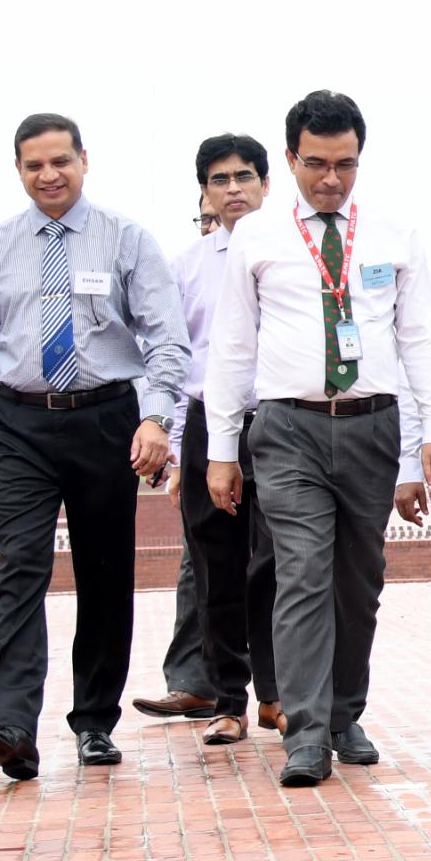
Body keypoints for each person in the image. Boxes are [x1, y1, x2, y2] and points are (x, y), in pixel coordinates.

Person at [201, 91, 431, 789]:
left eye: (344, 164)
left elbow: (421, 336)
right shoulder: (256, 237)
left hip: (373, 425)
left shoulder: (394, 234)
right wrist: (222, 449)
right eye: (316, 164)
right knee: (303, 573)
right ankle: (305, 733)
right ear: (289, 160)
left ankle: (346, 714)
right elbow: (231, 346)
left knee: (357, 581)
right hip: (288, 430)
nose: (331, 180)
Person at [0, 112, 187, 782]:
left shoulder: (126, 240)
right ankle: (12, 726)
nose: (48, 175)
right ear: (18, 170)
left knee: (104, 574)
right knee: (19, 568)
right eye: (34, 165)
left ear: (85, 160)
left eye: (60, 161)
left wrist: (155, 419)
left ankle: (93, 721)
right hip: (19, 425)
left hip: (106, 421)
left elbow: (166, 337)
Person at [137, 135, 279, 742]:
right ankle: (228, 700)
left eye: (244, 176)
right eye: (219, 180)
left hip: (277, 423)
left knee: (277, 564)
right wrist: (168, 440)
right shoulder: (186, 267)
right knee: (215, 565)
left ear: (267, 184)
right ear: (204, 193)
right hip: (204, 424)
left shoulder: (294, 253)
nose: (233, 189)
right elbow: (169, 355)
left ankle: (278, 693)